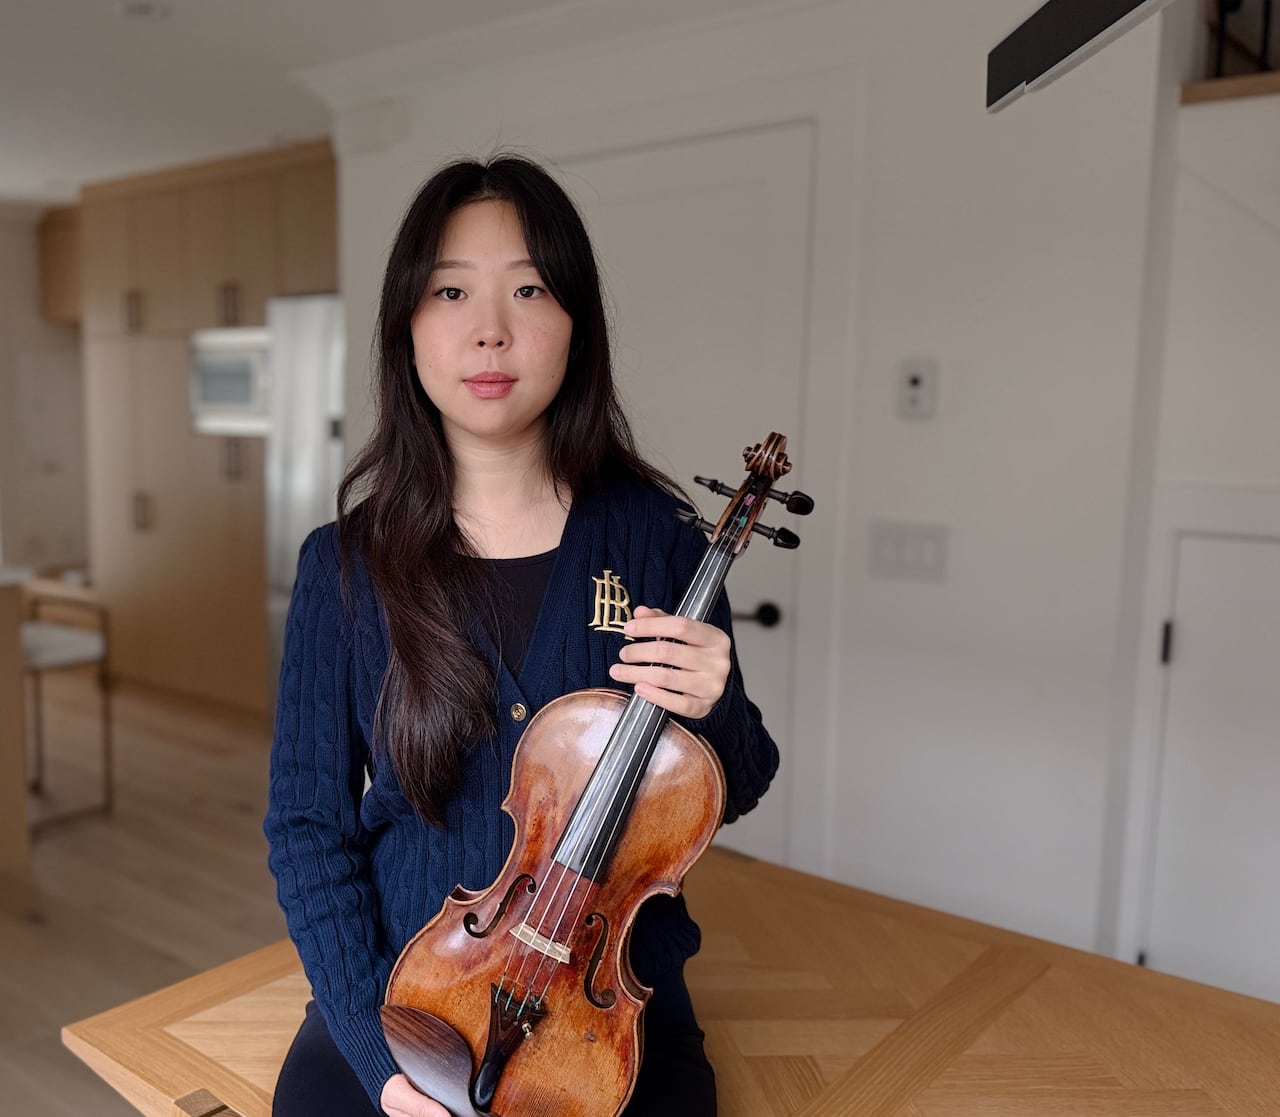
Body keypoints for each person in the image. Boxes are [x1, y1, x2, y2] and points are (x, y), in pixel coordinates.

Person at [264, 153, 779, 1117]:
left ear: (574, 324)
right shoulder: (342, 567)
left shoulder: (657, 539)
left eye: (528, 288)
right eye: (450, 290)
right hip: (405, 992)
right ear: (407, 326)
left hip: (607, 1009)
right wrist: (381, 1064)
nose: (489, 328)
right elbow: (307, 829)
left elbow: (729, 788)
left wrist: (719, 708)